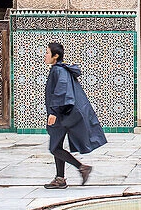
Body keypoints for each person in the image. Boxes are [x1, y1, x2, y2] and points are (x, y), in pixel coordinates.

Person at [43, 41, 107, 189]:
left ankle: (82, 168)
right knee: (56, 146)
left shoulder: (59, 71)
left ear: (55, 55)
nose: (45, 56)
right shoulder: (58, 69)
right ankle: (60, 179)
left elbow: (61, 91)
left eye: (47, 53)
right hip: (61, 114)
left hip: (60, 115)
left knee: (54, 148)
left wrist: (53, 112)